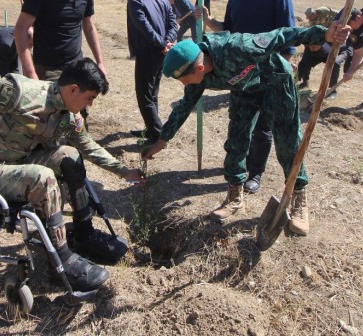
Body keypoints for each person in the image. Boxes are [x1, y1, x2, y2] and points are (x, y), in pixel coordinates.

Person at [0, 58, 144, 291]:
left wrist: (124, 171)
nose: (89, 105)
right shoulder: (17, 92)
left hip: (19, 162)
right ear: (73, 90)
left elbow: (88, 146)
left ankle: (83, 233)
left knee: (70, 156)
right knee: (43, 176)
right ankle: (61, 260)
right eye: (90, 98)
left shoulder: (68, 116)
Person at [143, 23, 351, 235]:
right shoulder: (197, 73)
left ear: (199, 69)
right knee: (236, 141)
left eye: (183, 81)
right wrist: (162, 140)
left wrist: (324, 34)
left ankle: (298, 197)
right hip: (244, 88)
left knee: (288, 142)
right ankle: (235, 197)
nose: (184, 85)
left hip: (276, 81)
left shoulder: (240, 47)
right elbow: (185, 106)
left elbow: (283, 35)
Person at [202, 0, 296, 196]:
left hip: (268, 74)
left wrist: (283, 67)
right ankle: (239, 168)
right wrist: (209, 21)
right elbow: (229, 32)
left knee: (263, 128)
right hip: (240, 75)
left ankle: (256, 173)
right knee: (240, 123)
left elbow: (287, 37)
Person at [126, 0, 177, 142]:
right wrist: (168, 42)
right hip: (161, 52)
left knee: (144, 94)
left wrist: (163, 43)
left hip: (148, 51)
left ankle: (157, 134)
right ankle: (151, 129)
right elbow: (173, 22)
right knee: (153, 91)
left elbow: (143, 26)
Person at [297, 6, 352, 99]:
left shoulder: (324, 11)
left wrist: (338, 24)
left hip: (334, 40)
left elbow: (337, 16)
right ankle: (304, 82)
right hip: (323, 41)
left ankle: (332, 91)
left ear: (314, 14)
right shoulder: (313, 24)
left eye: (310, 17)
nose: (310, 19)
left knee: (335, 63)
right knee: (304, 61)